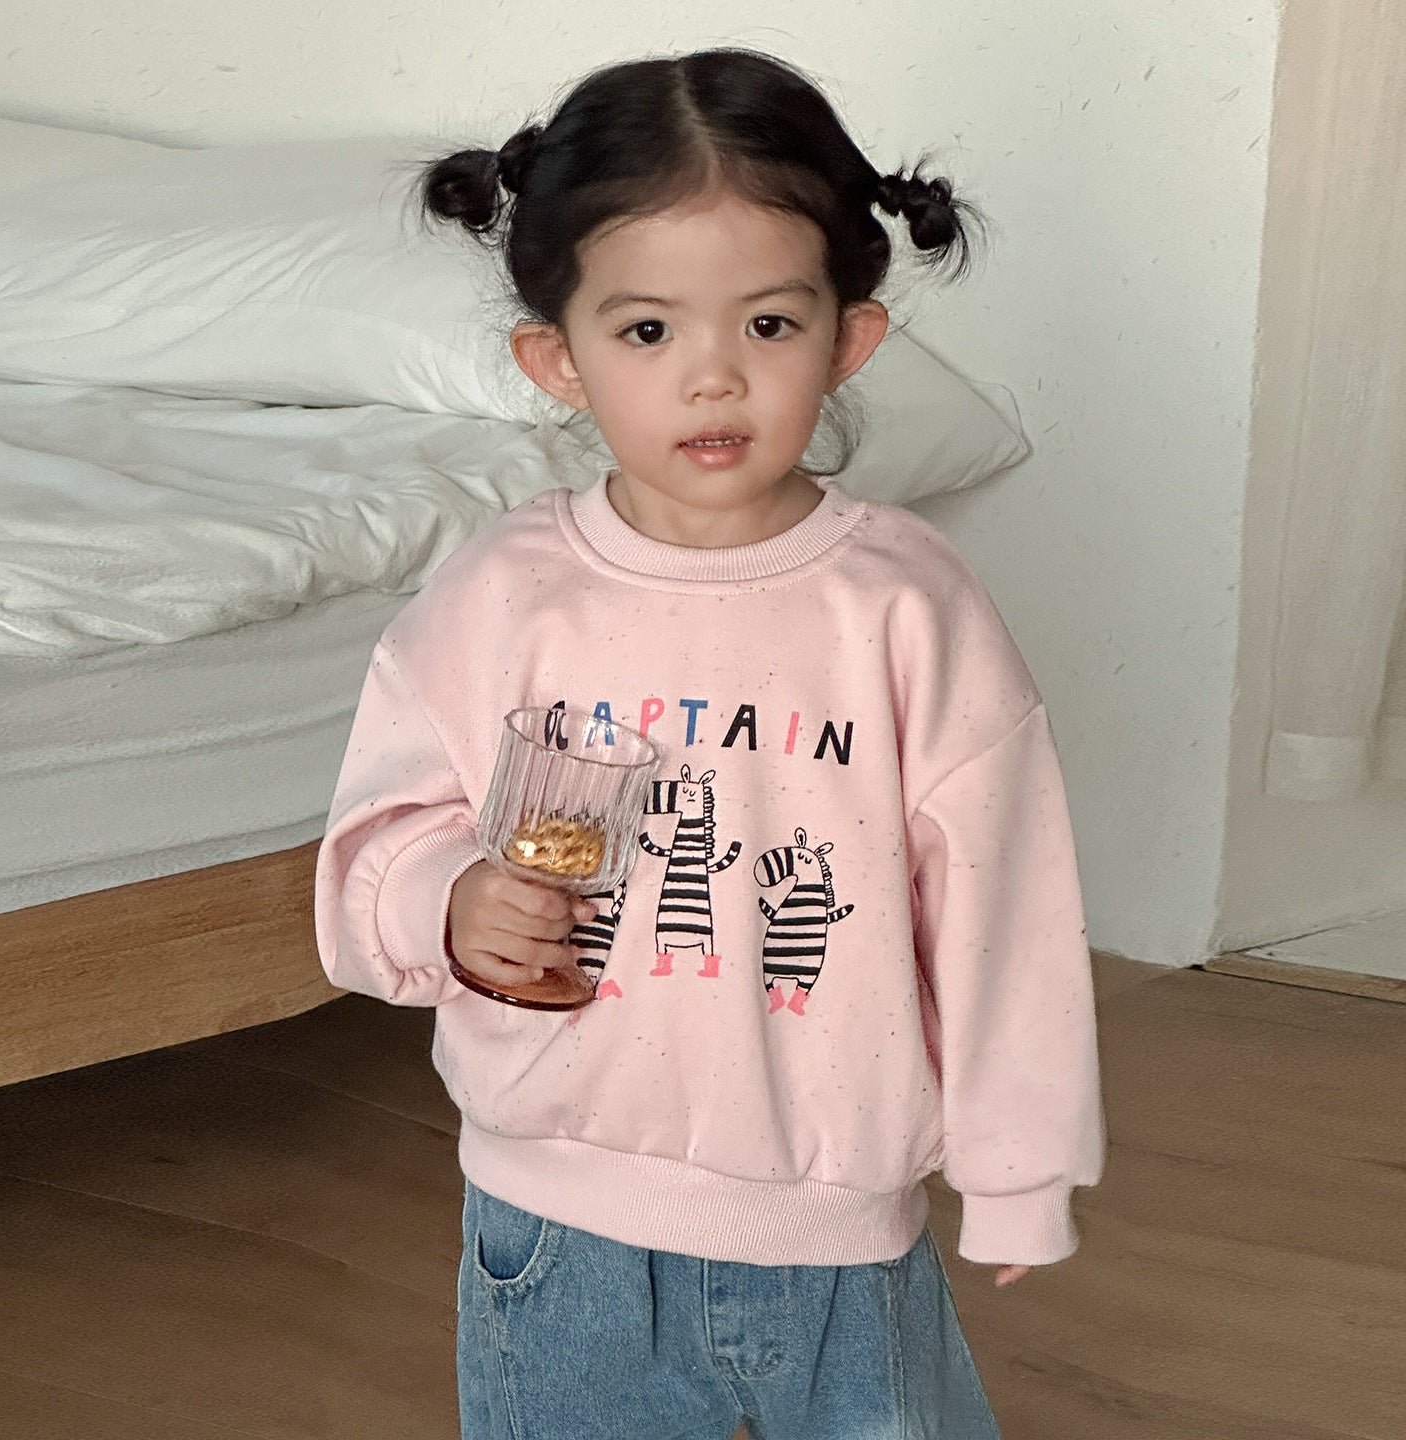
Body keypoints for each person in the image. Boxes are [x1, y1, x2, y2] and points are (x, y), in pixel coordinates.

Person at [315, 47, 1105, 1440]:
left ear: (850, 338)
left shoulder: (905, 607)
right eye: (646, 331)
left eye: (770, 324)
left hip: (839, 1239)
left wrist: (1020, 1167)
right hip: (554, 1224)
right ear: (556, 359)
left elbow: (1004, 901)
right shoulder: (502, 596)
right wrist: (449, 898)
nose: (713, 379)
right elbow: (382, 832)